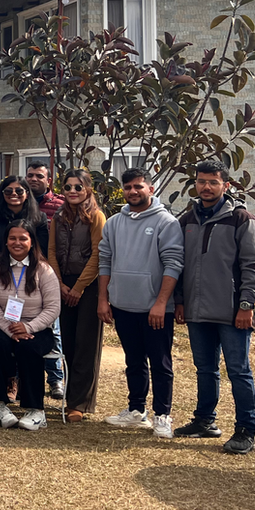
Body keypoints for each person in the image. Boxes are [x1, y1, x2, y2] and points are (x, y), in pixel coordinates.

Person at [173, 160, 255, 454]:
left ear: (226, 186)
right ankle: (205, 421)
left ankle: (246, 429)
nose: (206, 187)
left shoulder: (242, 220)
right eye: (201, 181)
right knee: (205, 369)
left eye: (213, 182)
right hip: (198, 310)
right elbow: (176, 263)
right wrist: (180, 301)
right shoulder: (186, 220)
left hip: (232, 312)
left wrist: (245, 305)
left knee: (238, 370)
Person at [98, 167, 184, 439]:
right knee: (133, 361)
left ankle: (162, 416)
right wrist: (104, 299)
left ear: (150, 189)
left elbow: (173, 264)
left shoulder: (166, 222)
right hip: (123, 306)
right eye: (128, 188)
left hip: (155, 310)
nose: (133, 192)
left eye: (138, 187)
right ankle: (136, 411)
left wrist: (161, 303)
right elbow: (105, 262)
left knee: (160, 363)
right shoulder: (113, 223)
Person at [0, 220, 61, 431]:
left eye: (23, 238)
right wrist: (9, 329)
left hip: (37, 327)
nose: (17, 242)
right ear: (5, 242)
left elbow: (53, 308)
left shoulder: (44, 269)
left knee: (29, 347)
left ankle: (36, 410)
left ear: (32, 241)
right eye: (12, 238)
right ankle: (0, 405)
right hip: (1, 325)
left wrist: (29, 327)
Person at [46, 168, 106, 423]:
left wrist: (79, 287)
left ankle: (80, 402)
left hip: (89, 287)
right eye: (68, 187)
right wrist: (59, 283)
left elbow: (99, 254)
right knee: (67, 342)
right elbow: (51, 251)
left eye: (77, 187)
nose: (72, 191)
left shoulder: (97, 216)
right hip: (63, 285)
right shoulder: (58, 217)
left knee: (85, 344)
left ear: (88, 189)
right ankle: (69, 395)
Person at [0, 176, 49, 267]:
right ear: (2, 194)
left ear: (27, 194)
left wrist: (21, 263)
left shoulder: (39, 218)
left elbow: (41, 249)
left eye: (19, 191)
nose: (14, 194)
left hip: (30, 267)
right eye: (8, 191)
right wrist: (10, 262)